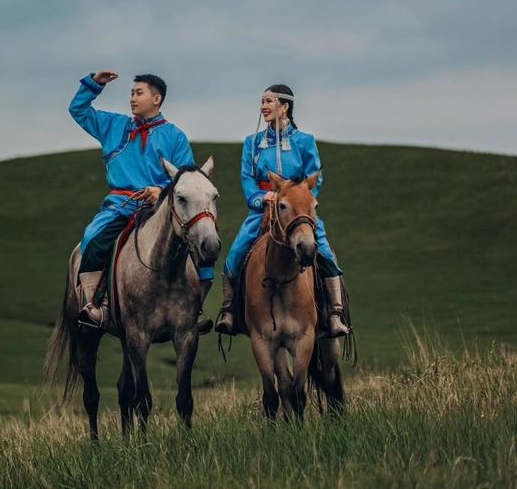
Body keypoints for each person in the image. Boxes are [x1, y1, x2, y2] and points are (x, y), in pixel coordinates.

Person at [69, 69, 206, 327]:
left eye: (138, 93)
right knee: (93, 240)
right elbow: (79, 110)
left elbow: (186, 179)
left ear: (156, 99)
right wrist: (93, 85)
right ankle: (94, 305)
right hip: (120, 207)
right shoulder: (113, 126)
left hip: (160, 209)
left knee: (198, 244)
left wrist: (161, 191)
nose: (132, 98)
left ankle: (194, 308)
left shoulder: (175, 136)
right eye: (131, 93)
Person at [215, 84, 349, 337]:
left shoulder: (305, 141)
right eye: (262, 101)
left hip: (298, 211)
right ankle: (228, 311)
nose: (263, 106)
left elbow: (314, 180)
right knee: (235, 254)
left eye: (269, 101)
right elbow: (247, 178)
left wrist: (298, 203)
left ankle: (335, 313)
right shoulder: (252, 143)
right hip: (263, 209)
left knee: (325, 252)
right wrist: (259, 198)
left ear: (284, 106)